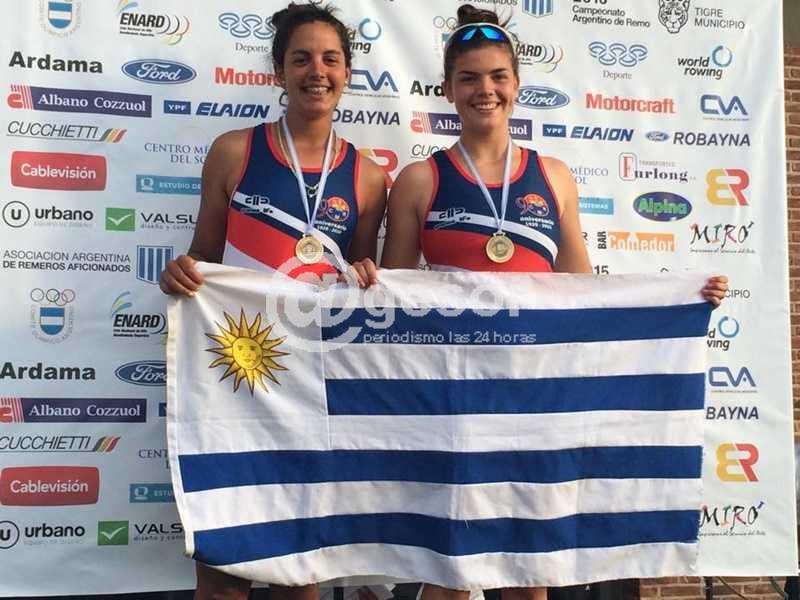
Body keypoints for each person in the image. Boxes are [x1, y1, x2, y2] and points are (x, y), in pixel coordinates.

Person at [365, 4, 729, 600]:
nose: (484, 89)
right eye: (469, 78)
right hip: (454, 402)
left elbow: (583, 295)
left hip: (536, 400)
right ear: (448, 89)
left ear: (516, 84)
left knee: (528, 579)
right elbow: (395, 303)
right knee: (451, 573)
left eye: (497, 76)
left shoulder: (554, 175)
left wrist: (682, 302)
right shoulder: (419, 179)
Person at [158, 3, 386, 599]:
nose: (317, 71)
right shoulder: (234, 151)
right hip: (234, 382)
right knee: (224, 574)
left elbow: (360, 286)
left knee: (297, 576)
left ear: (347, 72)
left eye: (330, 59)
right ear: (279, 72)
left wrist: (369, 276)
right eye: (301, 59)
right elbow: (203, 257)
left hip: (311, 390)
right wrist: (180, 274)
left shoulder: (367, 177)